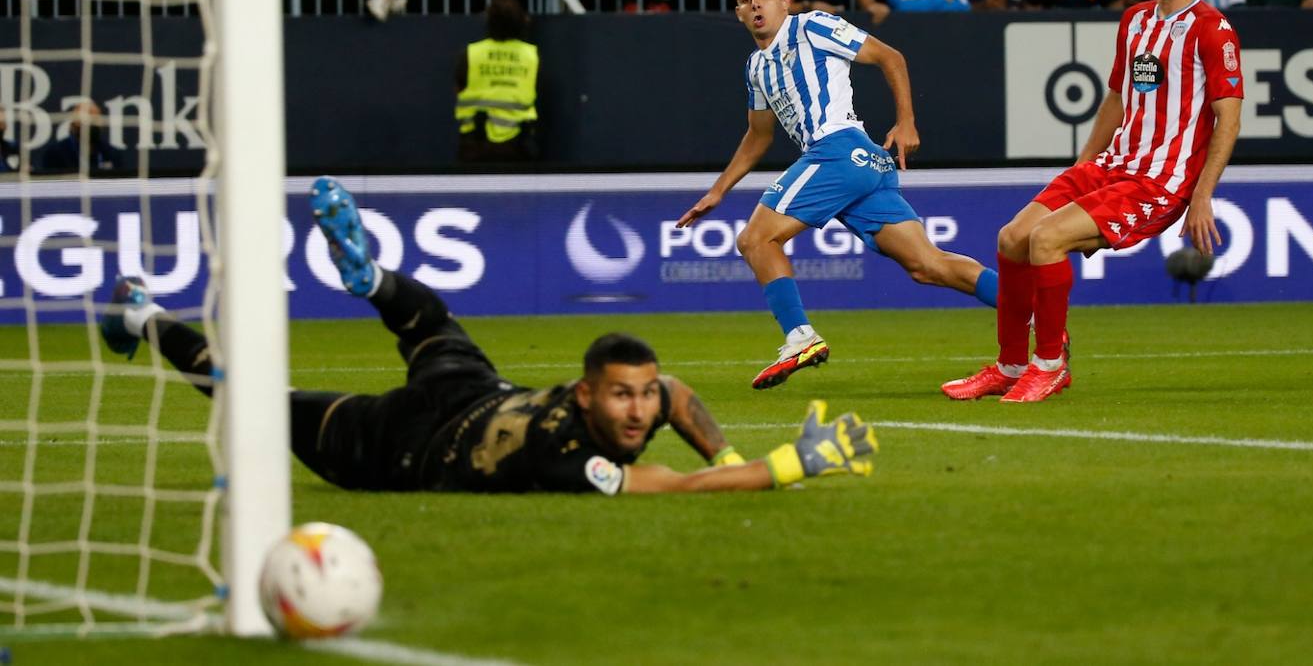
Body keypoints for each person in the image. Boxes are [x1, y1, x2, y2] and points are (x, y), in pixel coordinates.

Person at [100, 177, 878, 494]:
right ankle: (148, 314)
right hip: (406, 444)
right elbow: (673, 488)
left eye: (641, 394)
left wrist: (726, 450)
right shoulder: (576, 460)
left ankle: (142, 311)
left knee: (418, 326)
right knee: (247, 397)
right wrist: (786, 464)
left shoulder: (628, 403)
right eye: (623, 397)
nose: (640, 410)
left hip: (462, 397)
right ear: (585, 395)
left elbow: (676, 392)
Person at [942, 0, 1244, 403]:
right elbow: (1116, 99)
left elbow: (1228, 119)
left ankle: (1050, 365)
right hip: (1111, 165)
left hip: (1158, 181)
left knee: (1045, 240)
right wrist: (1083, 163)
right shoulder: (1136, 20)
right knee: (1012, 238)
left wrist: (1203, 195)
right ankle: (1010, 364)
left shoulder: (1213, 29)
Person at [677, 0, 999, 390]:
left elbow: (890, 56)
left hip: (839, 150)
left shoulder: (811, 26)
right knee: (926, 264)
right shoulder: (756, 67)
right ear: (738, 13)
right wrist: (718, 191)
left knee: (756, 239)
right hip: (859, 166)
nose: (754, 2)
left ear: (785, 1)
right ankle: (1032, 316)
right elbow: (759, 135)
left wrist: (906, 122)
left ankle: (800, 338)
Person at [457, 0, 540, 161]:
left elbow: (459, 87)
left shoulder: (472, 53)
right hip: (518, 145)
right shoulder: (531, 55)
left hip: (475, 145)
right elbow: (537, 89)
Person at [39, 99, 123, 174]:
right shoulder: (55, 153)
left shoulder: (110, 153)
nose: (90, 124)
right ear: (73, 124)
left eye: (94, 120)